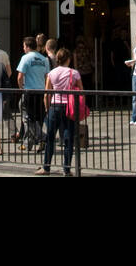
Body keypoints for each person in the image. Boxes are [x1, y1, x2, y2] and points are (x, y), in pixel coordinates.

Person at [39, 48, 83, 176]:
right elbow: (81, 90)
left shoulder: (51, 73)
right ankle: (67, 169)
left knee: (50, 137)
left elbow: (47, 93)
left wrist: (47, 108)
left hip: (55, 106)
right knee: (68, 138)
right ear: (68, 59)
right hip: (69, 107)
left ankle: (46, 167)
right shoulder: (74, 73)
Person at [16, 36, 50, 149]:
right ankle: (32, 141)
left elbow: (20, 76)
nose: (23, 49)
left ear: (27, 46)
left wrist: (21, 88)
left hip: (29, 91)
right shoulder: (44, 59)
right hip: (41, 91)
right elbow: (47, 77)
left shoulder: (26, 58)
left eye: (24, 46)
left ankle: (39, 138)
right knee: (39, 118)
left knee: (28, 117)